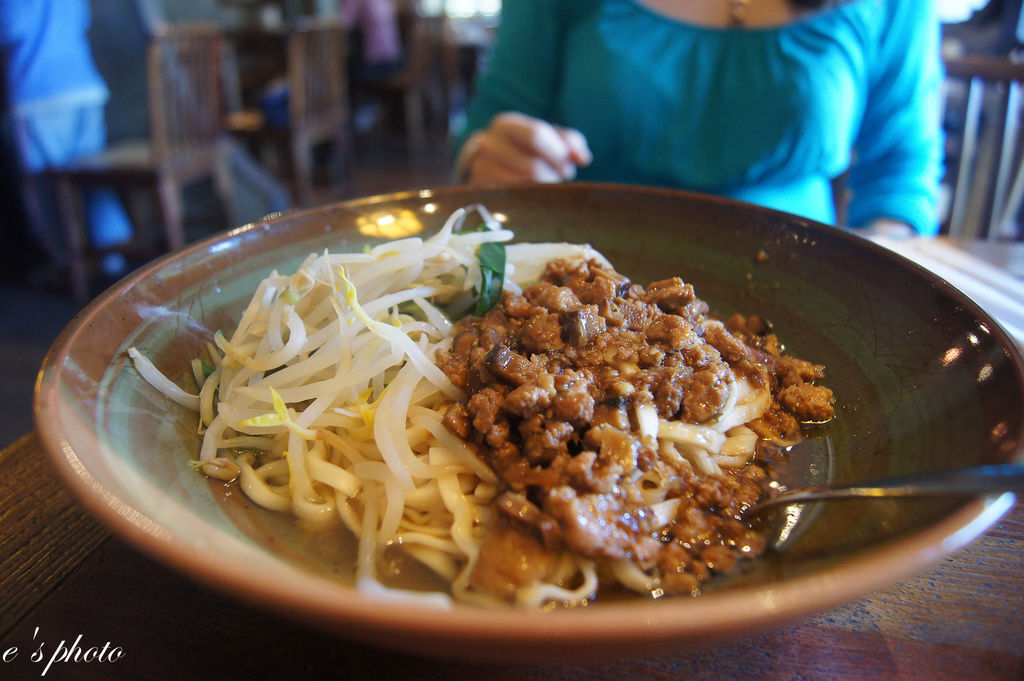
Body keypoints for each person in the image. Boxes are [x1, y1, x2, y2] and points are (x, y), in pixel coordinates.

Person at [454, 0, 945, 237]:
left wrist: (874, 287)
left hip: (800, 291)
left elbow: (902, 169)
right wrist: (489, 156)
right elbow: (483, 133)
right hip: (582, 279)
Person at [0, 0, 134, 266]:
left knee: (43, 185)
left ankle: (64, 261)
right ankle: (114, 257)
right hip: (84, 85)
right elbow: (82, 21)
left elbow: (11, 28)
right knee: (94, 179)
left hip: (38, 93)